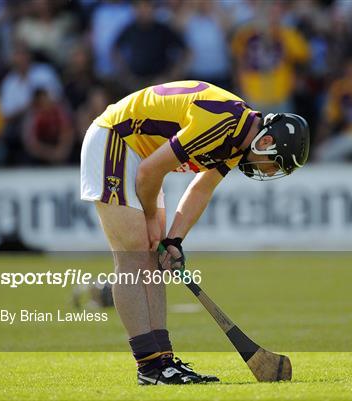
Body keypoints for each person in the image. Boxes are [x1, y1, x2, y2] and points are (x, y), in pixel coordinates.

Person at [79, 80, 309, 385]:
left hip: (142, 156)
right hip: (116, 140)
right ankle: (150, 368)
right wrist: (150, 218)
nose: (268, 172)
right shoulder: (222, 123)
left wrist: (174, 239)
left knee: (153, 261)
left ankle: (164, 363)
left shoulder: (238, 140)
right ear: (266, 143)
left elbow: (202, 188)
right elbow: (149, 172)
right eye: (274, 165)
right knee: (134, 256)